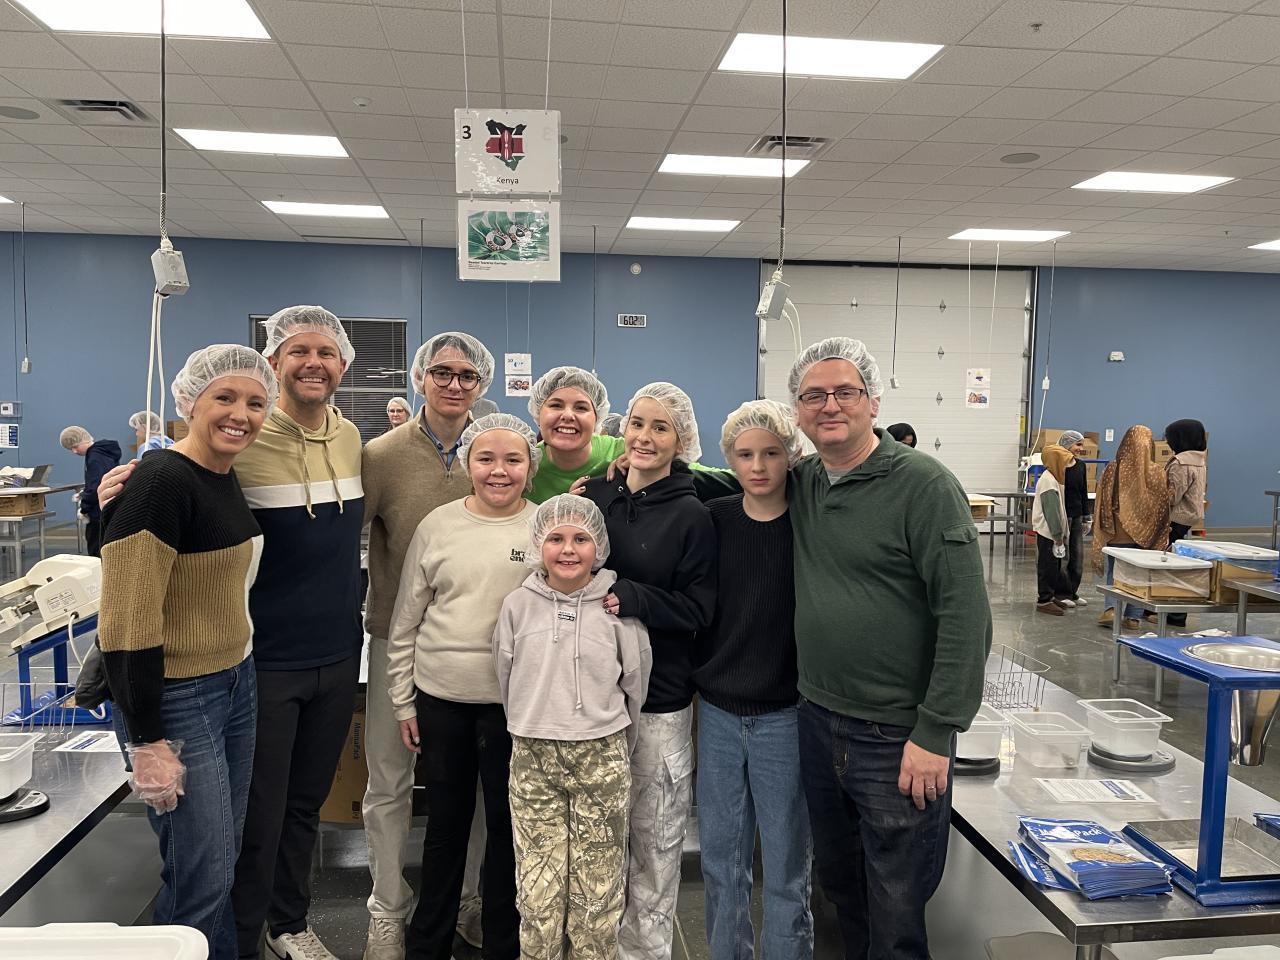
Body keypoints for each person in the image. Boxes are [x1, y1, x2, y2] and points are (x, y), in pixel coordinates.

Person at [786, 337, 991, 960]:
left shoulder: (923, 486)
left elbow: (966, 616)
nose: (829, 405)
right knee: (842, 890)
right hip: (817, 720)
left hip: (896, 737)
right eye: (813, 395)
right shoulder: (803, 482)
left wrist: (936, 731)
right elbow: (737, 477)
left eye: (844, 392)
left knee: (897, 912)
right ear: (797, 410)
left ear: (873, 403)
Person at [98, 344, 278, 960]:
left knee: (219, 860)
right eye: (224, 397)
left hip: (234, 681)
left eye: (255, 402)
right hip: (178, 697)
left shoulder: (220, 475)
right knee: (201, 873)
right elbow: (126, 617)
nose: (241, 414)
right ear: (189, 402)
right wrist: (147, 739)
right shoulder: (162, 480)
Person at [361, 331, 497, 960]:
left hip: (476, 652)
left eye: (467, 375)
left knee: (474, 787)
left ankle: (467, 899)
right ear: (420, 378)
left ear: (482, 384)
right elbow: (343, 532)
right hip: (397, 638)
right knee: (389, 779)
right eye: (441, 372)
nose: (453, 384)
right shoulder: (382, 455)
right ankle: (388, 909)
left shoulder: (495, 448)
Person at [387, 413, 542, 960]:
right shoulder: (439, 526)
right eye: (486, 458)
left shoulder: (545, 527)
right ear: (467, 463)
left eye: (513, 459)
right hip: (442, 701)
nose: (499, 471)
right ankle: (428, 943)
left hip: (516, 709)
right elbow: (406, 620)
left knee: (507, 829)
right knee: (445, 828)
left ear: (530, 466)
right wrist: (403, 701)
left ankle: (503, 943)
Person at [581, 382, 717, 960]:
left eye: (661, 427)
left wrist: (636, 598)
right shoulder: (597, 499)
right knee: (599, 837)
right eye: (636, 423)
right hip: (593, 697)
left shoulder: (692, 515)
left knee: (656, 836)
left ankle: (645, 949)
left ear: (681, 441)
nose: (643, 436)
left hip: (660, 699)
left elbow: (700, 610)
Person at [493, 494, 651, 960]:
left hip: (601, 754)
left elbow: (635, 681)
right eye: (556, 538)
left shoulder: (617, 609)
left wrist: (611, 737)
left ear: (598, 545)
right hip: (533, 756)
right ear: (537, 545)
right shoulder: (517, 606)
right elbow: (505, 674)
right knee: (537, 888)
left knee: (598, 889)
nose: (568, 549)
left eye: (581, 538)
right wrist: (532, 720)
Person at [695, 400, 813, 960]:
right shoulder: (714, 519)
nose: (759, 466)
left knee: (788, 865)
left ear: (792, 455)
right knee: (722, 861)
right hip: (718, 712)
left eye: (772, 453)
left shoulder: (812, 523)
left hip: (786, 715)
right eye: (745, 454)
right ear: (730, 459)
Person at [1092, 425, 1172, 631]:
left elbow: (1103, 500)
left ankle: (1111, 609)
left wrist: (1104, 525)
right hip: (1147, 533)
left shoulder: (1113, 468)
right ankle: (1133, 617)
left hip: (1117, 532)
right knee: (1141, 573)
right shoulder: (1156, 472)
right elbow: (1163, 505)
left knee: (1115, 571)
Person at [1159, 419, 1208, 627]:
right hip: (1189, 517)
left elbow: (1172, 496)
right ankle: (1175, 613)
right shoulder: (1199, 459)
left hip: (1175, 517)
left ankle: (1174, 614)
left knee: (1167, 566)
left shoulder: (1181, 463)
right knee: (1177, 564)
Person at [59, 425, 121, 557]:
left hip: (98, 513)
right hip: (108, 507)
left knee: (96, 550)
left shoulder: (95, 456)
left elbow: (97, 486)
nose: (74, 451)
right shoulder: (103, 453)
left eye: (75, 447)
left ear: (84, 440)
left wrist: (84, 508)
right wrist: (84, 494)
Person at [1032, 444, 1075, 616]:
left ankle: (1050, 595)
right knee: (1047, 566)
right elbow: (1052, 512)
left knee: (1055, 566)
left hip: (1053, 533)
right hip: (1048, 532)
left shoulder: (1054, 479)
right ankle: (1044, 600)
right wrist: (1058, 535)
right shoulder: (1048, 482)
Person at [1058, 430, 1092, 607]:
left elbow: (1083, 492)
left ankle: (1072, 592)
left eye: (1081, 445)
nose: (1080, 448)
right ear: (1067, 444)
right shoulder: (1057, 465)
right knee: (1064, 556)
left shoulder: (1080, 466)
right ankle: (1061, 593)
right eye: (1077, 444)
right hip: (1063, 516)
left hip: (1077, 516)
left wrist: (1087, 516)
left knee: (1077, 557)